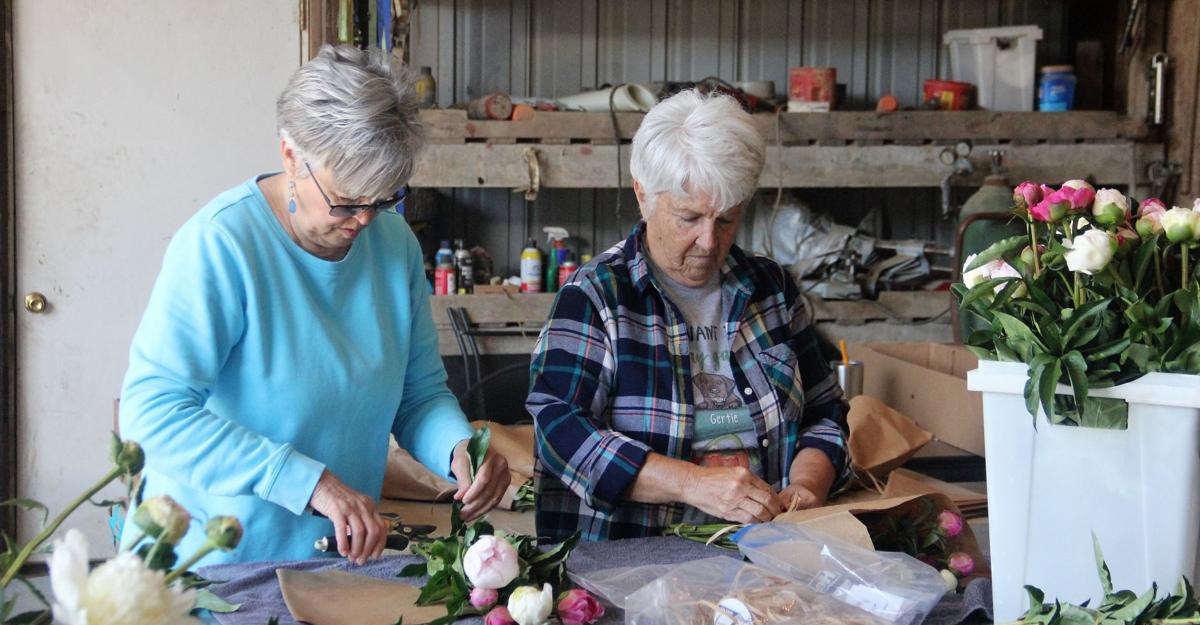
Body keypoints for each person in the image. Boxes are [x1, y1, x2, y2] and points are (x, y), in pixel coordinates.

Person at [119, 45, 509, 567]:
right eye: (347, 200)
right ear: (289, 156)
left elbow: (418, 397)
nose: (365, 220)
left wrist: (461, 448)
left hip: (330, 561)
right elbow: (152, 414)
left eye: (385, 199)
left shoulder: (393, 246)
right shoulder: (222, 245)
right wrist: (309, 482)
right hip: (212, 564)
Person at [527, 89, 851, 543]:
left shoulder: (771, 289)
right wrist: (694, 483)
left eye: (726, 220)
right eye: (689, 217)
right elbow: (559, 430)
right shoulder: (597, 296)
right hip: (635, 560)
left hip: (768, 550)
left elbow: (823, 410)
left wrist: (807, 487)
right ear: (643, 195)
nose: (707, 242)